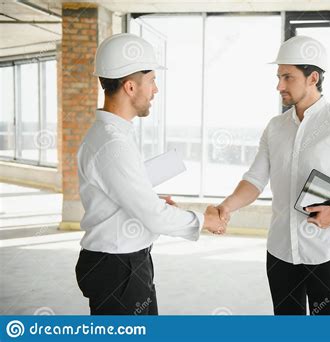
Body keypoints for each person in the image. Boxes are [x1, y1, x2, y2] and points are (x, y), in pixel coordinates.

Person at [216, 36, 330, 315]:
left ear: (313, 78)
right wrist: (227, 206)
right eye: (278, 77)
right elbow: (254, 180)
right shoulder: (275, 127)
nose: (279, 86)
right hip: (280, 253)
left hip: (326, 253)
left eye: (287, 77)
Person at [75, 33, 226, 315]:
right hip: (119, 269)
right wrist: (207, 221)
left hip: (124, 265)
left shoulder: (113, 134)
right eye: (152, 80)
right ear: (131, 87)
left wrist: (145, 195)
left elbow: (121, 195)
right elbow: (151, 215)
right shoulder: (113, 143)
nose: (156, 90)